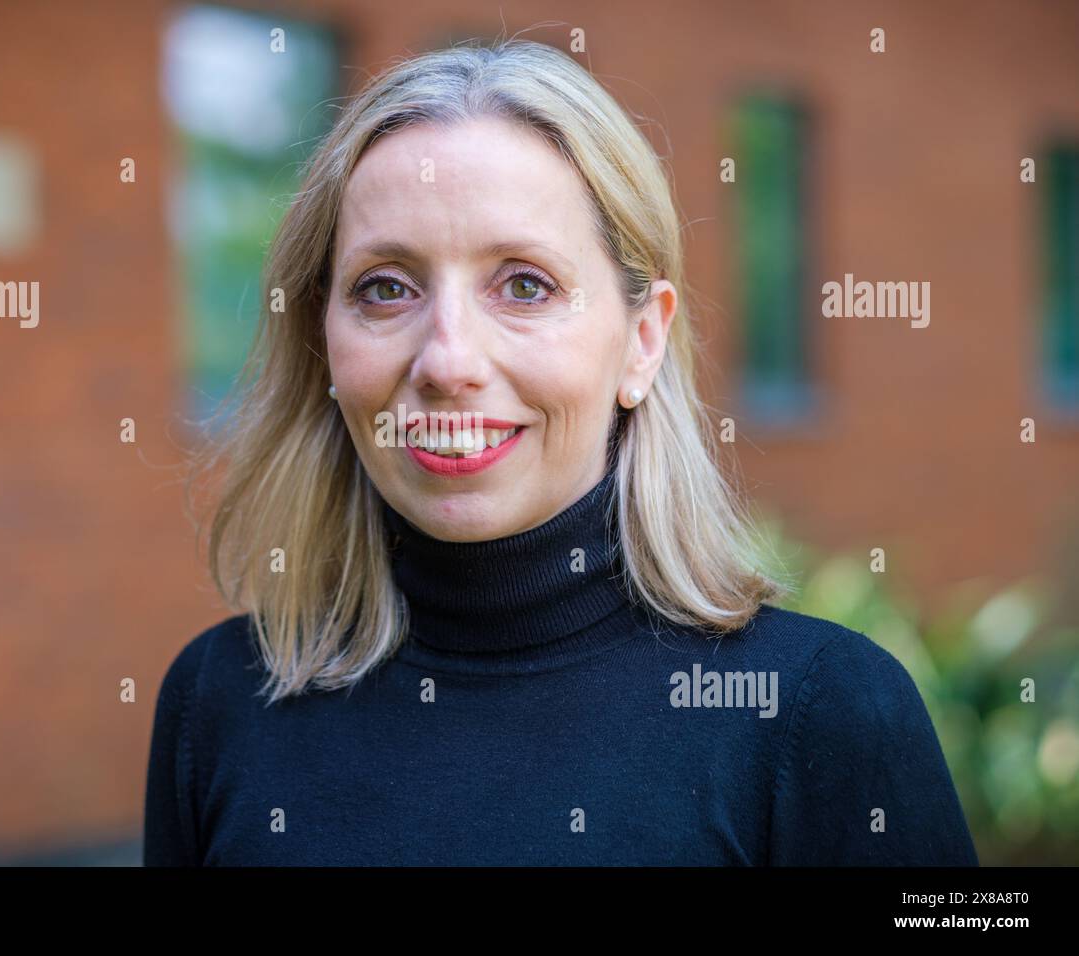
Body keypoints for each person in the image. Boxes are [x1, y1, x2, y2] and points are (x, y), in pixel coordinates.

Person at [144, 39, 979, 866]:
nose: (448, 362)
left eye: (524, 285)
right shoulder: (217, 704)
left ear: (641, 341)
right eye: (387, 288)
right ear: (322, 337)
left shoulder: (819, 713)